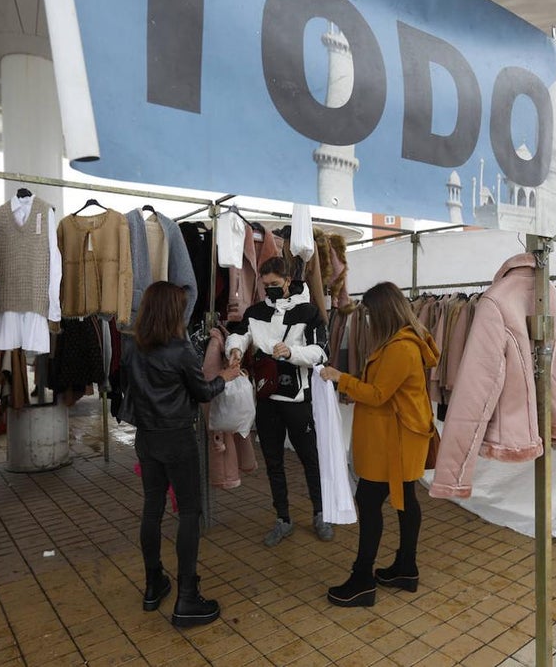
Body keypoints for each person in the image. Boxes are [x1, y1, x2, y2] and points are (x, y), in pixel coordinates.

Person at [123, 281, 242, 627]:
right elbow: (203, 392)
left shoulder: (133, 347)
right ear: (173, 312)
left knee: (152, 509)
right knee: (190, 513)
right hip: (177, 439)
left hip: (147, 438)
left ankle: (152, 585)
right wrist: (226, 375)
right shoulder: (181, 350)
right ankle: (186, 598)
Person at [320, 281, 439, 607]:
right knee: (405, 500)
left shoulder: (401, 347)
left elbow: (378, 394)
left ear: (383, 312)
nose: (368, 321)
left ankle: (362, 581)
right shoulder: (399, 343)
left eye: (371, 314)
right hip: (398, 437)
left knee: (370, 502)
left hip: (395, 441)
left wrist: (339, 378)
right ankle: (406, 568)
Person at [226, 257, 332, 546]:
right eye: (265, 285)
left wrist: (292, 353)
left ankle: (320, 513)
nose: (270, 289)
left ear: (288, 281)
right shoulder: (255, 311)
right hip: (266, 396)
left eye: (275, 284)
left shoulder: (309, 312)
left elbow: (321, 352)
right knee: (273, 461)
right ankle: (282, 518)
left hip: (297, 398)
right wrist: (234, 350)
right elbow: (239, 335)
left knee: (309, 457)